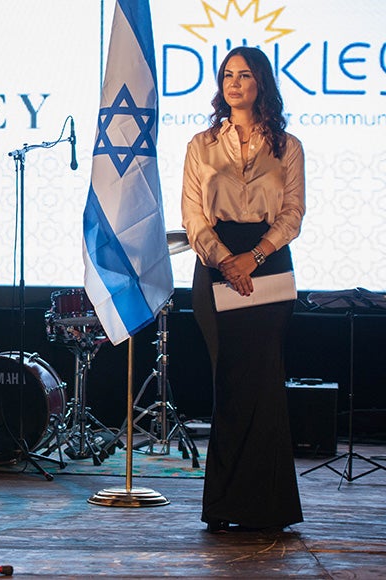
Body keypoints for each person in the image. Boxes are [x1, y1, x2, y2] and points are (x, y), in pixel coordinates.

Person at [181, 46, 305, 533]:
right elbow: (192, 214)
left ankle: (267, 508)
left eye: (245, 75)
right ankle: (224, 505)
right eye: (228, 75)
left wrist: (252, 257)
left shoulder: (287, 145)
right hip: (214, 262)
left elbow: (293, 214)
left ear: (262, 84)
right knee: (229, 385)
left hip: (269, 259)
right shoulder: (201, 144)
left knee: (264, 384)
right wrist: (224, 259)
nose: (235, 83)